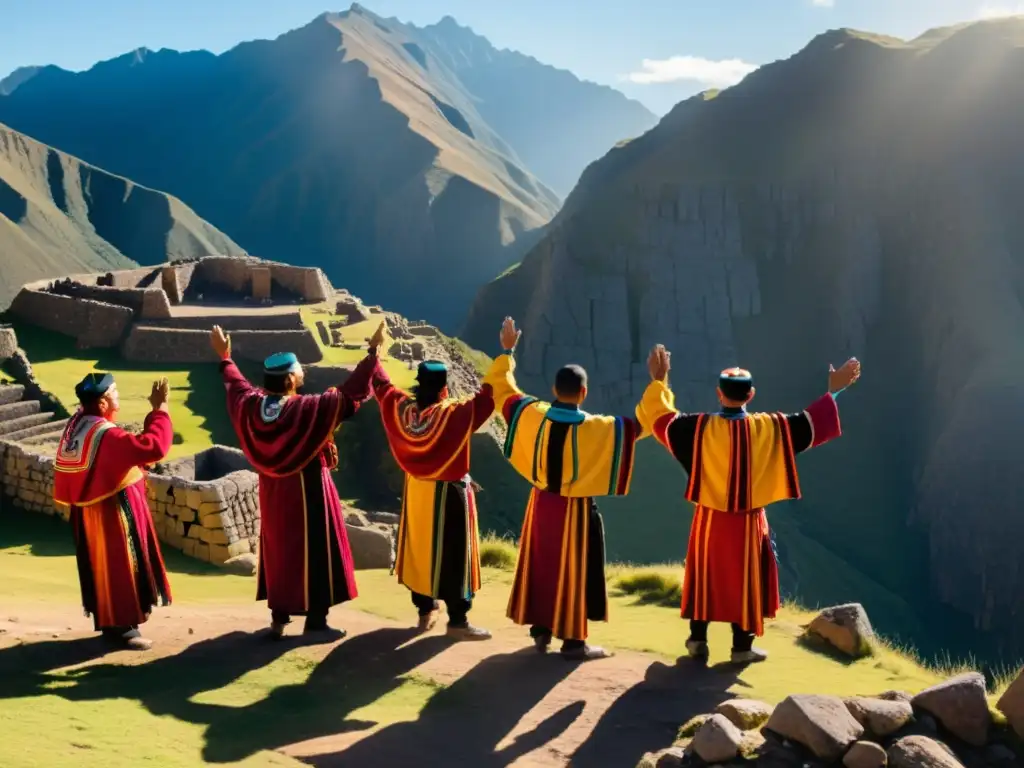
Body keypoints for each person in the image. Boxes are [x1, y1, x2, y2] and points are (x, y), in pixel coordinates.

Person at [636, 344, 862, 663]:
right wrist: (834, 391)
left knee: (705, 574)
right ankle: (742, 646)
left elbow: (663, 420)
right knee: (746, 579)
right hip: (747, 521)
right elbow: (809, 424)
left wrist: (660, 380)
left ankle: (697, 640)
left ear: (718, 393)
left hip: (709, 519)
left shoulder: (698, 429)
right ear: (751, 395)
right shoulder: (768, 428)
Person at [481, 317, 649, 661]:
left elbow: (500, 387)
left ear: (554, 389)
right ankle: (574, 641)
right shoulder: (596, 427)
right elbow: (639, 425)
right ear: (584, 393)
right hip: (574, 508)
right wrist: (659, 383)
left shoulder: (532, 413)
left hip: (540, 502)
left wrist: (507, 349)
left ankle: (541, 630)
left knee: (541, 562)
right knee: (573, 567)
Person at [210, 322, 386, 640]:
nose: (303, 373)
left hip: (273, 490)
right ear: (291, 378)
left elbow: (236, 387)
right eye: (299, 370)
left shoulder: (252, 407)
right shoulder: (306, 409)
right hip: (308, 490)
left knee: (280, 549)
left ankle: (279, 619)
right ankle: (316, 623)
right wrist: (373, 355)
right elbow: (348, 396)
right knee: (314, 549)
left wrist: (225, 357)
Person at [371, 357, 494, 640]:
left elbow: (382, 387)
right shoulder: (452, 414)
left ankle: (425, 609)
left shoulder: (404, 411)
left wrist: (373, 355)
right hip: (448, 494)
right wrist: (506, 354)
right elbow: (486, 400)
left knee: (420, 549)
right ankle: (458, 621)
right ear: (443, 388)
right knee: (454, 554)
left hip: (417, 491)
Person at [53, 373, 174, 651]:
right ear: (104, 402)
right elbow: (154, 446)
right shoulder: (105, 434)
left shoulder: (77, 425)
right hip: (112, 511)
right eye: (115, 393)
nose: (118, 398)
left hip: (88, 512)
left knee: (100, 566)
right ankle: (125, 627)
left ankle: (110, 622)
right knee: (121, 565)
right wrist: (160, 410)